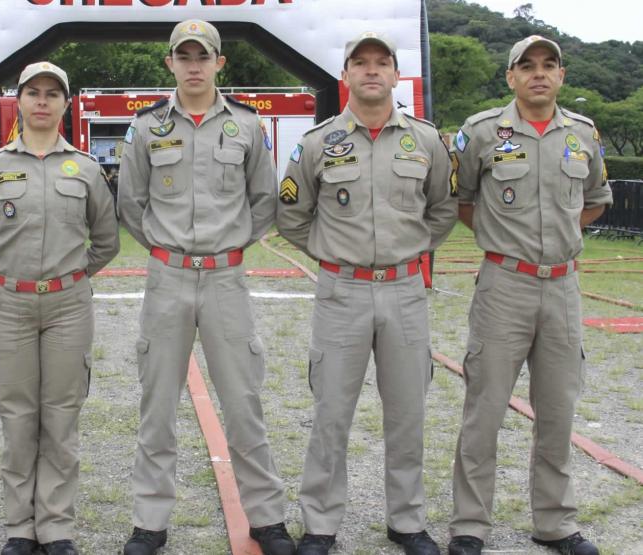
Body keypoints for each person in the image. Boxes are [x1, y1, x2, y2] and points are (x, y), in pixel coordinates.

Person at [117, 19, 294, 555]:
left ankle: (266, 518)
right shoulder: (147, 127)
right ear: (170, 62)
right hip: (167, 277)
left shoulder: (245, 125)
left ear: (220, 63)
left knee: (243, 401)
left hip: (226, 279)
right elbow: (131, 202)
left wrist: (231, 245)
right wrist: (166, 248)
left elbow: (264, 200)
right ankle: (149, 522)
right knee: (158, 404)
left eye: (204, 56)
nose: (193, 65)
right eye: (183, 55)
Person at [277, 32, 457, 555]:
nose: (372, 71)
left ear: (397, 75)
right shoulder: (317, 143)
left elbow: (443, 206)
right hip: (343, 292)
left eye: (383, 63)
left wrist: (415, 247)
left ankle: (406, 522)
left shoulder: (425, 141)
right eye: (361, 63)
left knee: (407, 413)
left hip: (404, 290)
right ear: (346, 75)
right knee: (331, 412)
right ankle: (320, 525)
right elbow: (291, 214)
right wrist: (331, 251)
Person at [447, 36, 611, 555]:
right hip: (504, 285)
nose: (539, 73)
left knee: (558, 409)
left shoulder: (582, 134)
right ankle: (470, 523)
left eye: (550, 65)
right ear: (511, 77)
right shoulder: (479, 133)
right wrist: (507, 243)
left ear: (561, 76)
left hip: (563, 287)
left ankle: (555, 523)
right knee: (485, 408)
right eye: (528, 66)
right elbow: (464, 200)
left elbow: (594, 200)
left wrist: (561, 239)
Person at [0, 62, 119, 555]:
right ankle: (19, 529)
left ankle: (55, 526)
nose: (43, 101)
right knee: (18, 416)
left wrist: (70, 276)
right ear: (20, 101)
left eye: (53, 93)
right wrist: (5, 274)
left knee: (62, 415)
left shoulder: (87, 168)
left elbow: (106, 240)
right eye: (33, 93)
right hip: (10, 305)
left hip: (69, 305)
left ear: (66, 104)